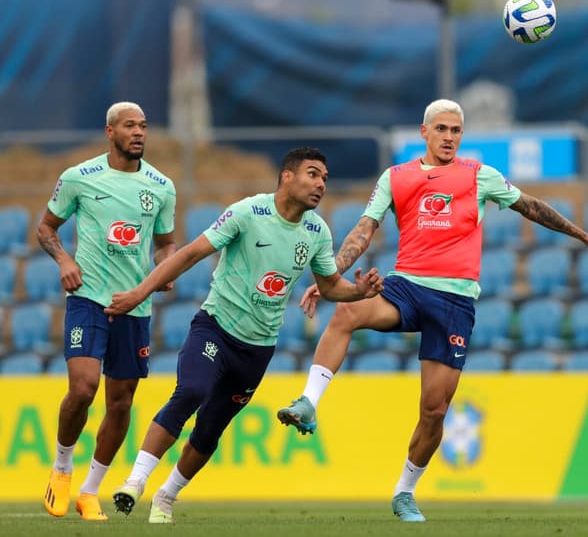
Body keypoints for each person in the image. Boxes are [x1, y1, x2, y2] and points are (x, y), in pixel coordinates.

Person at [277, 99, 588, 522]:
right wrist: (330, 277)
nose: (449, 137)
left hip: (455, 300)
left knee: (434, 410)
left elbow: (531, 206)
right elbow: (364, 231)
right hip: (406, 285)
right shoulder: (396, 177)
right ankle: (309, 402)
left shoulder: (479, 175)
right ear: (425, 132)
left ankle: (405, 491)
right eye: (441, 129)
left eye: (456, 131)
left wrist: (586, 238)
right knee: (347, 312)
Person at [105, 146, 383, 524]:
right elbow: (190, 253)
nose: (321, 184)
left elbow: (330, 285)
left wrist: (358, 292)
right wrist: (141, 291)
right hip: (215, 328)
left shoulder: (317, 232)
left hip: (257, 350)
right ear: (287, 176)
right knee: (190, 391)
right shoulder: (248, 212)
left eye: (325, 179)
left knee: (209, 430)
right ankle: (134, 482)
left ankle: (166, 497)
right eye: (313, 174)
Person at [37, 101, 178, 521]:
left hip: (134, 305)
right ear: (109, 131)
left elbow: (166, 243)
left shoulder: (162, 186)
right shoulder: (79, 177)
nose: (138, 132)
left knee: (120, 404)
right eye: (129, 125)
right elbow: (46, 228)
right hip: (88, 298)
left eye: (144, 126)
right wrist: (65, 261)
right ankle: (62, 469)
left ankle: (90, 490)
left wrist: (164, 268)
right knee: (82, 389)